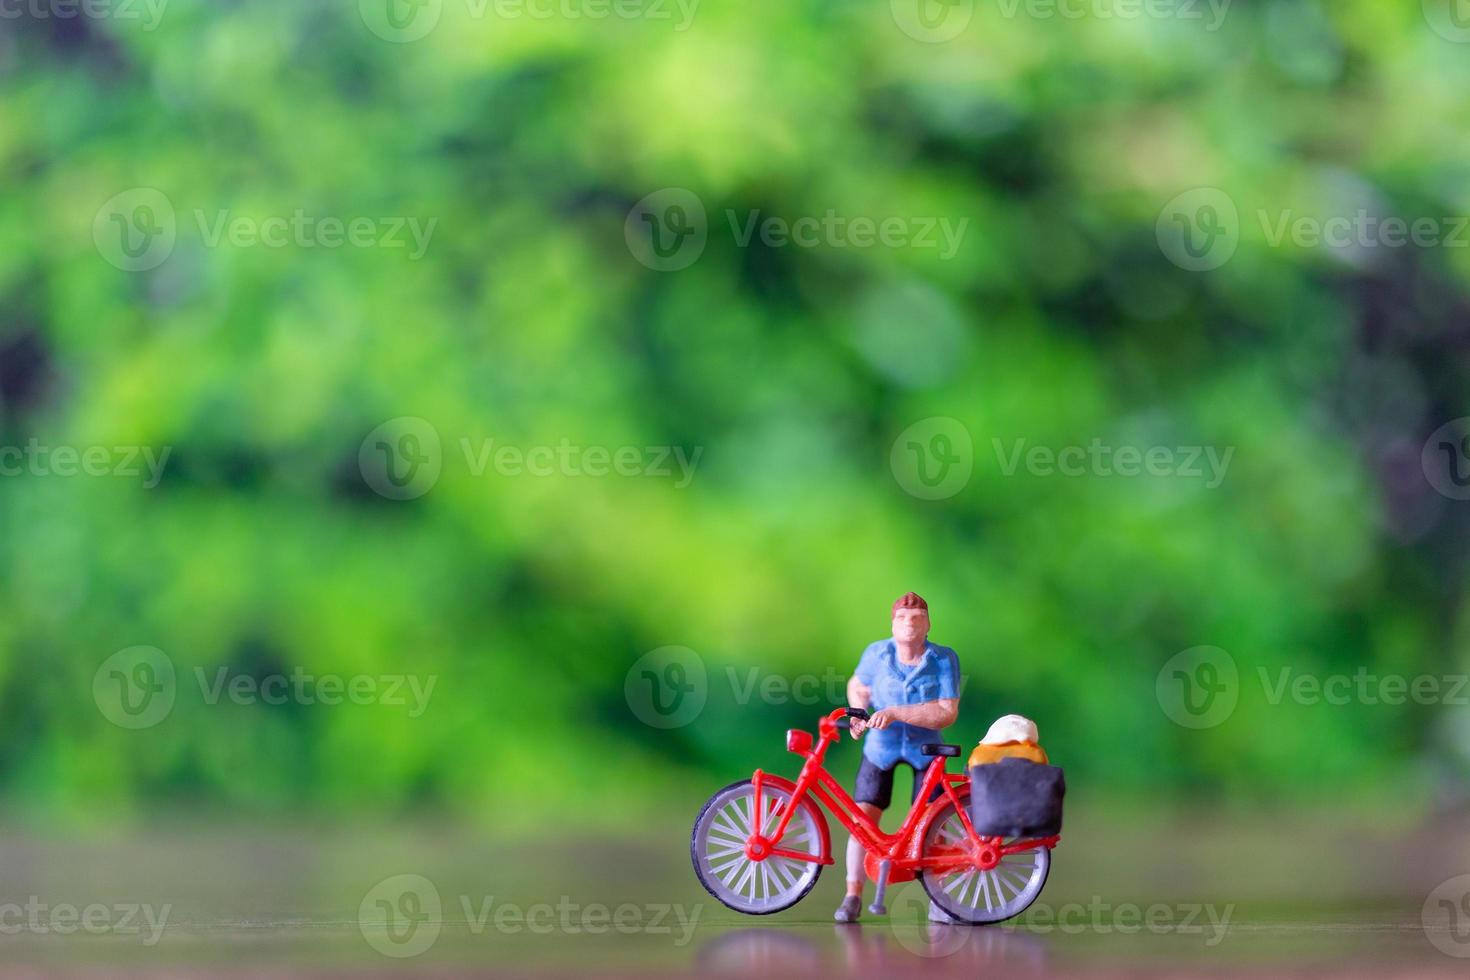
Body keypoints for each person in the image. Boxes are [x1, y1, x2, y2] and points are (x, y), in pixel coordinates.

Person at [834, 591, 960, 924]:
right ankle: (852, 894)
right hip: (881, 747)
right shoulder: (876, 654)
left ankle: (940, 897)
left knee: (935, 824)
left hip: (926, 749)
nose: (909, 625)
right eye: (902, 618)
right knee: (863, 820)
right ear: (892, 624)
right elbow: (858, 685)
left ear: (929, 624)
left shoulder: (943, 659)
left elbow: (947, 712)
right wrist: (859, 714)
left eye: (917, 618)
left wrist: (895, 713)